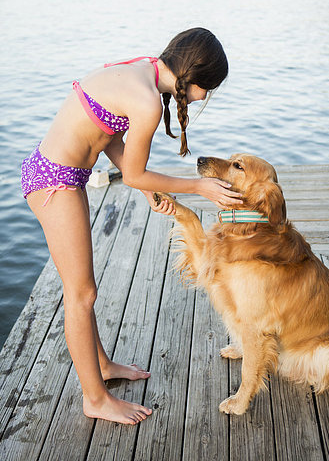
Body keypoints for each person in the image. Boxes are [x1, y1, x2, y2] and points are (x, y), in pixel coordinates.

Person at [21, 27, 242, 426]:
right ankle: (95, 398)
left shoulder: (142, 70)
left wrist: (143, 189)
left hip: (60, 172)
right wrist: (197, 186)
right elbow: (137, 173)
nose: (206, 97)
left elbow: (105, 137)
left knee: (83, 290)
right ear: (193, 78)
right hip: (54, 181)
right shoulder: (148, 102)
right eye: (208, 88)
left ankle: (101, 365)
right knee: (81, 294)